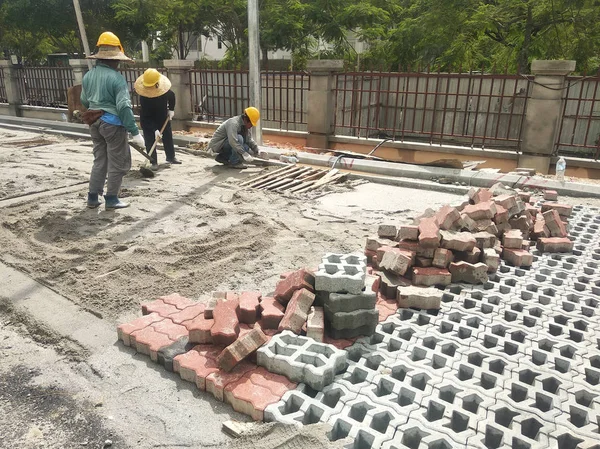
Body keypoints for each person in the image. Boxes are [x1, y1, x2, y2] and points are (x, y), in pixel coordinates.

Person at [81, 31, 144, 210]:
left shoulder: (88, 76)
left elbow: (85, 101)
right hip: (112, 125)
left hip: (94, 122)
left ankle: (93, 197)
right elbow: (124, 107)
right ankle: (111, 199)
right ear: (115, 59)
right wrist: (135, 132)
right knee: (117, 163)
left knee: (100, 160)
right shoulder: (116, 79)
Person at [134, 69, 180, 169]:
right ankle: (153, 162)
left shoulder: (164, 90)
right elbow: (146, 116)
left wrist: (171, 110)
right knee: (150, 140)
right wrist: (154, 130)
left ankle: (171, 157)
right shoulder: (144, 96)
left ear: (157, 84)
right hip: (148, 119)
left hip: (162, 116)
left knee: (167, 135)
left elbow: (172, 96)